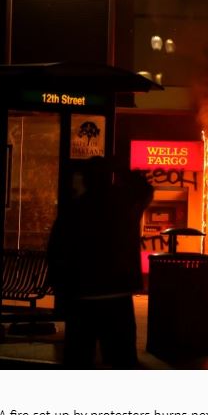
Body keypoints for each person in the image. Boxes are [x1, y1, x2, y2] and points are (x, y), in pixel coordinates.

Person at [47, 157, 153, 368]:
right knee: (122, 360)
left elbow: (56, 251)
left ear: (86, 180)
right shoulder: (124, 206)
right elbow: (144, 188)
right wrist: (121, 169)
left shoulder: (73, 210)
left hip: (81, 296)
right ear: (109, 177)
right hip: (117, 295)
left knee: (79, 359)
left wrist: (61, 288)